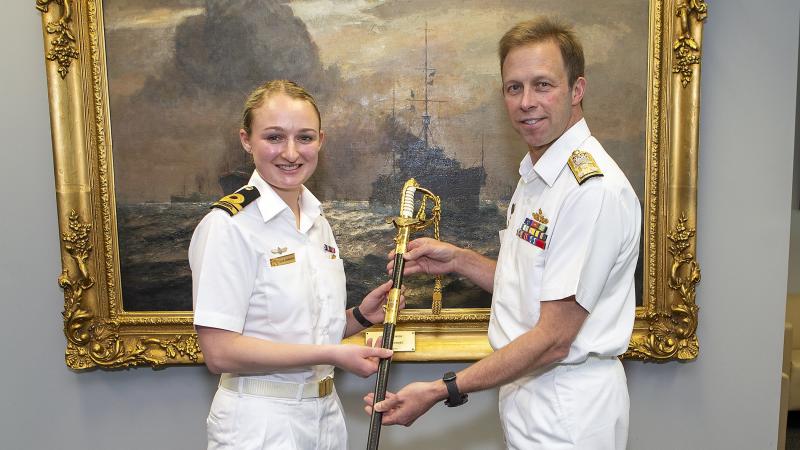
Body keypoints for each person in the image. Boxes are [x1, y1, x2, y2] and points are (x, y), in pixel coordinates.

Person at [364, 17, 641, 450]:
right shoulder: (538, 176)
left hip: (567, 407)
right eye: (515, 88)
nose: (527, 102)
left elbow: (552, 340)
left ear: (577, 90)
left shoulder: (591, 190)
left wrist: (442, 390)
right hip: (531, 396)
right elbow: (533, 288)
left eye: (543, 85)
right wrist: (459, 260)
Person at [190, 79, 400, 450]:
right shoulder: (228, 225)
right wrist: (332, 354)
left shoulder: (317, 221)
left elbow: (302, 331)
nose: (291, 153)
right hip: (260, 423)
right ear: (246, 140)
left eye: (304, 138)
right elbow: (219, 351)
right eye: (274, 137)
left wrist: (359, 317)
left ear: (321, 140)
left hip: (325, 417)